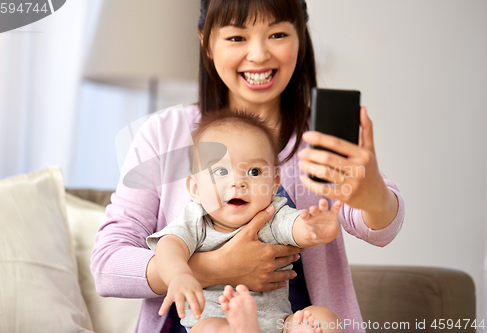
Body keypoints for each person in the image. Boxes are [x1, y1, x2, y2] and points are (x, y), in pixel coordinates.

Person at [90, 1, 405, 333]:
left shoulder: (318, 138)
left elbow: (380, 227)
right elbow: (107, 265)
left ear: (301, 38)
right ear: (206, 41)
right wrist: (214, 268)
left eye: (278, 34)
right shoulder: (164, 135)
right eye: (237, 38)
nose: (258, 55)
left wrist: (373, 196)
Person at [147, 110, 342, 333]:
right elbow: (169, 245)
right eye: (220, 171)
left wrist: (312, 229)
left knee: (323, 319)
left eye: (254, 171)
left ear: (273, 184)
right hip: (218, 321)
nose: (238, 182)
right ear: (195, 188)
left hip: (278, 324)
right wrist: (179, 275)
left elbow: (294, 226)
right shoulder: (196, 220)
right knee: (210, 330)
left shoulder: (272, 213)